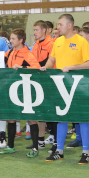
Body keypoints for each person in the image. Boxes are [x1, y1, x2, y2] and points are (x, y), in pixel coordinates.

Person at [40, 14, 89, 164]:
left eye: (60, 24)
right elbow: (52, 60)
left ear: (69, 25)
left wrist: (73, 68)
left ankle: (85, 153)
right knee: (61, 118)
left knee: (82, 118)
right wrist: (45, 67)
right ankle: (59, 151)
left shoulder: (81, 41)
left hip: (79, 86)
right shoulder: (57, 41)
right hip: (61, 85)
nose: (58, 27)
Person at [0, 29, 40, 155]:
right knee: (11, 117)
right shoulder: (10, 52)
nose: (10, 41)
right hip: (13, 89)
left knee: (31, 118)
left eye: (13, 39)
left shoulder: (27, 53)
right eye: (10, 38)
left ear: (21, 40)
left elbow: (37, 67)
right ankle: (10, 146)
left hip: (26, 89)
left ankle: (35, 149)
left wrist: (23, 68)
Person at [28, 20, 55, 156]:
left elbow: (50, 62)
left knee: (50, 112)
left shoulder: (51, 44)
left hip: (49, 81)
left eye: (36, 30)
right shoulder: (35, 45)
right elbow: (34, 63)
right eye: (34, 30)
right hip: (38, 81)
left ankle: (56, 142)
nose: (34, 33)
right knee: (39, 111)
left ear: (44, 30)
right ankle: (40, 140)